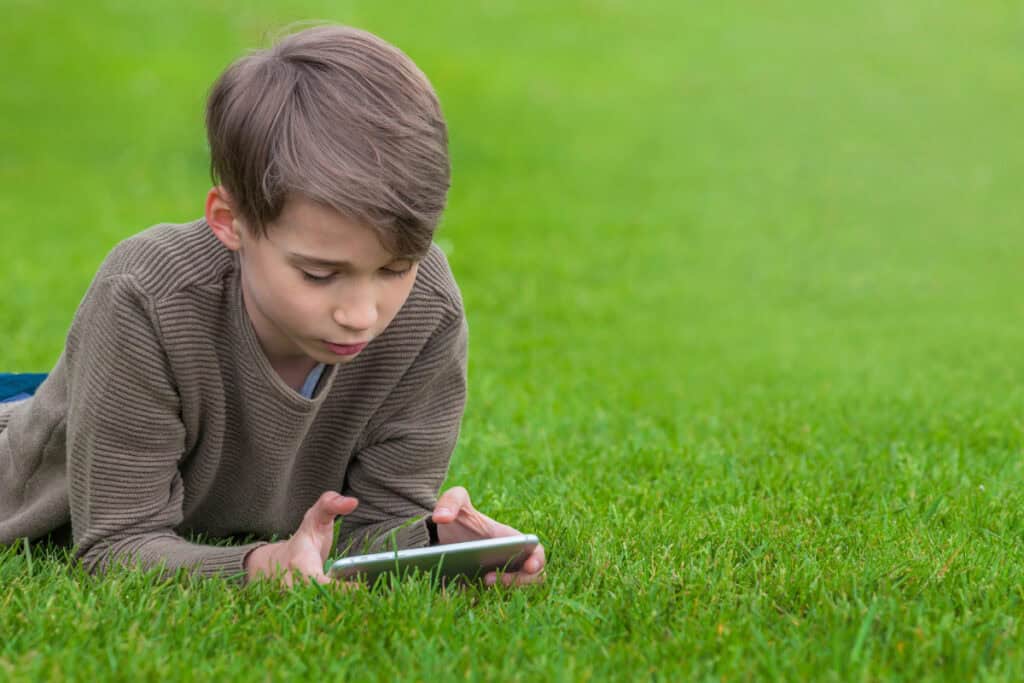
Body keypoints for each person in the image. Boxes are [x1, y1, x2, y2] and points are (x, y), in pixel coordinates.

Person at [0, 24, 545, 588]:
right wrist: (261, 566)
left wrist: (440, 543)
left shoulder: (427, 309)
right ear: (230, 222)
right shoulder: (146, 295)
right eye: (318, 273)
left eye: (394, 268)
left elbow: (374, 525)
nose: (361, 314)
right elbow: (115, 543)